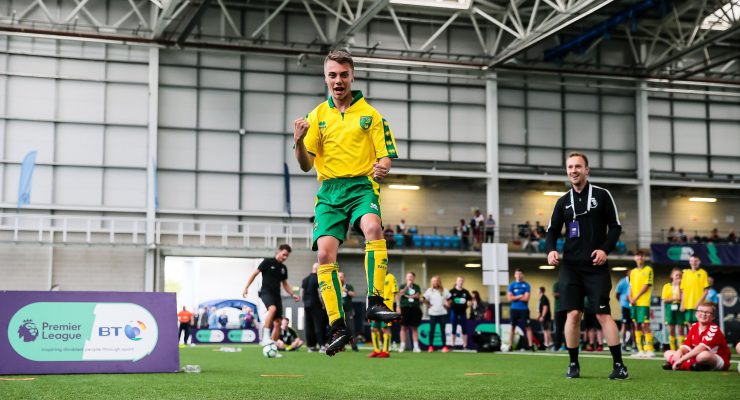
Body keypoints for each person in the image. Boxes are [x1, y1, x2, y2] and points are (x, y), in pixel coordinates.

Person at [293, 50, 400, 356]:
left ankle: (376, 300)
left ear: (352, 76)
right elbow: (304, 165)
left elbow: (385, 156)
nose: (338, 80)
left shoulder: (372, 115)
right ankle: (338, 326)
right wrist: (299, 141)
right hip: (329, 192)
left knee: (373, 228)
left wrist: (383, 167)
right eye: (332, 75)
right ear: (325, 78)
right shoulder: (317, 117)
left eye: (343, 74)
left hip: (361, 186)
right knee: (325, 256)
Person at [545, 152, 628, 380]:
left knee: (603, 315)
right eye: (570, 167)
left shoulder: (602, 195)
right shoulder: (562, 201)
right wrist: (550, 249)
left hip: (595, 265)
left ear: (587, 170)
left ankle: (619, 365)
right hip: (570, 266)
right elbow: (551, 231)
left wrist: (604, 250)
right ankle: (573, 364)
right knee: (572, 314)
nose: (574, 170)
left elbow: (615, 227)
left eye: (578, 166)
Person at [242, 244, 300, 344]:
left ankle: (272, 345)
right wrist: (246, 288)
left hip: (277, 295)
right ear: (279, 251)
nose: (285, 257)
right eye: (284, 254)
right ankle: (265, 336)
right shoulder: (267, 262)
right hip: (265, 292)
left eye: (287, 256)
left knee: (278, 323)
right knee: (272, 309)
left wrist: (292, 294)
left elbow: (285, 284)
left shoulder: (283, 268)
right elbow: (254, 274)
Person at [662, 302, 731, 371]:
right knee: (667, 353)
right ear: (696, 314)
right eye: (701, 311)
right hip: (695, 356)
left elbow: (701, 348)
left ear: (713, 317)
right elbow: (686, 345)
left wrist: (681, 360)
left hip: (716, 358)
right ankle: (694, 366)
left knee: (703, 356)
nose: (703, 314)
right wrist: (679, 351)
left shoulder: (714, 329)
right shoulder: (694, 326)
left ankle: (680, 364)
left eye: (707, 312)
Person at [628, 250, 655, 358]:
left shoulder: (648, 269)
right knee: (636, 325)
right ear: (635, 258)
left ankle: (650, 349)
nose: (639, 257)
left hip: (643, 302)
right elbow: (630, 286)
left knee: (645, 324)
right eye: (637, 255)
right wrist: (630, 298)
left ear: (644, 258)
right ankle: (640, 350)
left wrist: (635, 297)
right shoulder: (633, 272)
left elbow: (646, 286)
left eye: (641, 256)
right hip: (634, 302)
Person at [369, 272, 398, 358]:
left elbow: (395, 292)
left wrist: (399, 305)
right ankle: (377, 350)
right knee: (374, 329)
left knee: (385, 328)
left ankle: (386, 351)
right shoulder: (374, 277)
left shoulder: (390, 277)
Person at [302, 263, 328, 352]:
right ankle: (322, 346)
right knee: (319, 325)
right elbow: (319, 293)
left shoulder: (305, 279)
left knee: (309, 326)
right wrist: (323, 305)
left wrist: (304, 303)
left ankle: (311, 346)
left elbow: (301, 293)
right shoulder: (318, 279)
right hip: (316, 305)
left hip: (307, 305)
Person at [507, 268, 534, 351]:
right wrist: (519, 296)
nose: (518, 276)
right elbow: (509, 299)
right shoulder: (511, 285)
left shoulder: (526, 285)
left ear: (523, 275)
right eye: (517, 274)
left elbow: (526, 298)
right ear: (515, 275)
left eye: (520, 274)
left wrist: (514, 297)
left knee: (528, 327)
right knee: (512, 327)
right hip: (514, 309)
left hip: (524, 309)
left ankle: (530, 345)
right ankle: (510, 345)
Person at [680, 254, 709, 326]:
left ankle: (700, 337)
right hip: (688, 305)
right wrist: (682, 304)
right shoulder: (685, 273)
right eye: (692, 261)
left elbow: (706, 291)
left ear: (699, 262)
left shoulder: (703, 273)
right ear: (689, 262)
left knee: (699, 324)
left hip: (699, 306)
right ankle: (692, 338)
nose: (694, 263)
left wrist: (699, 303)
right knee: (690, 325)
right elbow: (683, 291)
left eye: (696, 261)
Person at [397, 271, 422, 352]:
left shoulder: (416, 286)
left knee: (415, 327)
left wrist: (409, 295)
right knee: (403, 327)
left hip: (414, 308)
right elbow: (401, 293)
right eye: (408, 276)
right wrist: (407, 287)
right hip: (405, 308)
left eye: (411, 276)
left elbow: (418, 295)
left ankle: (416, 346)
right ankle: (402, 345)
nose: (409, 278)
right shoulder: (403, 286)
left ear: (414, 278)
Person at [423, 276, 450, 353]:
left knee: (442, 330)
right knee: (432, 330)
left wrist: (447, 305)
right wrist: (428, 304)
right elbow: (423, 299)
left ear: (439, 282)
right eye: (434, 281)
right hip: (433, 313)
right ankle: (431, 346)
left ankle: (444, 346)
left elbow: (450, 299)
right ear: (432, 282)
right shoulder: (429, 291)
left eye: (437, 281)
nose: (435, 282)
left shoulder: (445, 290)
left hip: (442, 313)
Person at [661, 268, 685, 351]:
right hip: (669, 308)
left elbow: (680, 298)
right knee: (671, 329)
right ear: (672, 276)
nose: (678, 277)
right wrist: (674, 298)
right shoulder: (666, 286)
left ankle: (681, 349)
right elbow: (664, 300)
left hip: (679, 308)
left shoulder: (683, 287)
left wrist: (678, 286)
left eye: (680, 275)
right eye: (676, 275)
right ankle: (673, 349)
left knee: (681, 329)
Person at [448, 276, 471, 349]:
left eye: (461, 281)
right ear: (456, 282)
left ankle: (465, 345)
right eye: (459, 280)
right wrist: (448, 305)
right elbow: (447, 300)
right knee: (453, 328)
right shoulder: (452, 291)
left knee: (464, 328)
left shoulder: (465, 292)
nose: (460, 282)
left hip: (463, 312)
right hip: (454, 311)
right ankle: (453, 344)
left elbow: (470, 300)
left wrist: (468, 305)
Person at [339, 271, 359, 352]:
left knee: (351, 329)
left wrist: (346, 291)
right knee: (340, 329)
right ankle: (341, 346)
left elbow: (354, 294)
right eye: (339, 277)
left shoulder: (348, 286)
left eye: (341, 277)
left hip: (348, 310)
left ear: (344, 278)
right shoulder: (336, 286)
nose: (340, 278)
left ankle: (354, 346)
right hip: (339, 311)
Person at [614, 269, 632, 351]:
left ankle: (635, 345)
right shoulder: (622, 282)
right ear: (627, 273)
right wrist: (622, 302)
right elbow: (617, 294)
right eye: (630, 272)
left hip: (634, 306)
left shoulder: (635, 281)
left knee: (634, 325)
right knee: (624, 325)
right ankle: (623, 344)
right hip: (625, 306)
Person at [552, 280, 567, 351]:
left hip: (567, 309)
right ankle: (557, 346)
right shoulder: (557, 284)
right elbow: (555, 294)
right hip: (558, 310)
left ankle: (568, 346)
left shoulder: (568, 283)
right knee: (558, 328)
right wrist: (565, 294)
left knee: (567, 328)